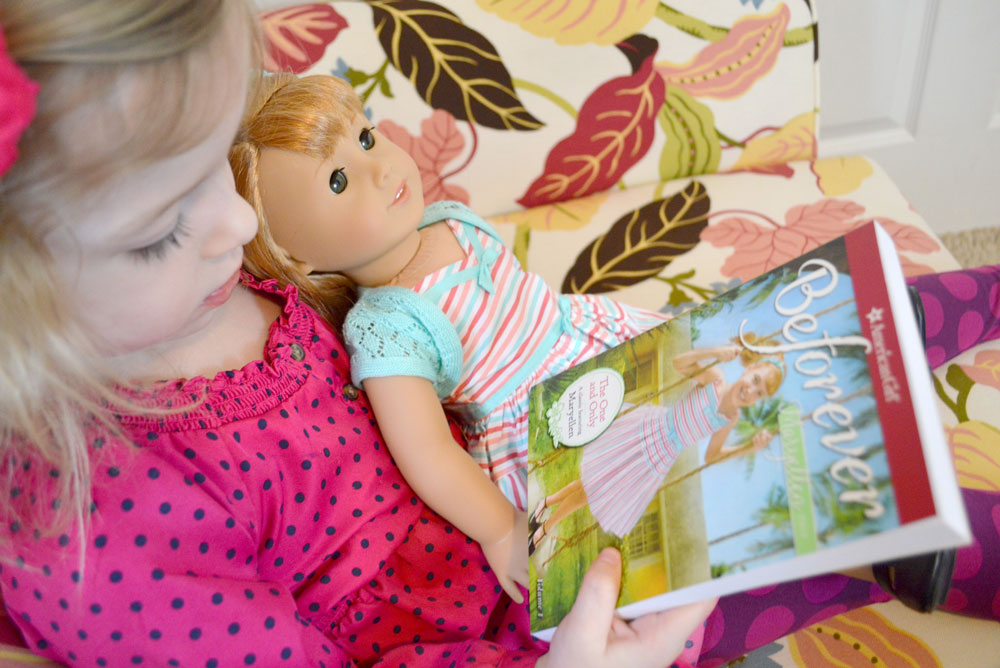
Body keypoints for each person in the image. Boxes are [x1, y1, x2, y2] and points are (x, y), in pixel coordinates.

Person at [0, 2, 716, 666]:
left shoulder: (229, 278)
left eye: (222, 163)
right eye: (160, 233)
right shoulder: (91, 543)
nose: (246, 225)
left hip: (527, 511)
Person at [229, 72, 673, 600]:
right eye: (339, 181)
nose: (380, 168)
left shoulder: (446, 219)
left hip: (580, 339)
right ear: (297, 255)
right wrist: (503, 527)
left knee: (689, 407)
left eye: (366, 138)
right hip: (540, 421)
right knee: (640, 528)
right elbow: (427, 452)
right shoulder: (386, 325)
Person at [529, 344, 783, 550]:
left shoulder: (731, 417)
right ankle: (547, 526)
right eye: (755, 379)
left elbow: (712, 456)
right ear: (749, 368)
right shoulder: (716, 379)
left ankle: (546, 503)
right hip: (648, 430)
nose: (751, 390)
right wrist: (714, 353)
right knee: (594, 485)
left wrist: (749, 448)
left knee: (597, 485)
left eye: (759, 393)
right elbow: (679, 363)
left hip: (659, 458)